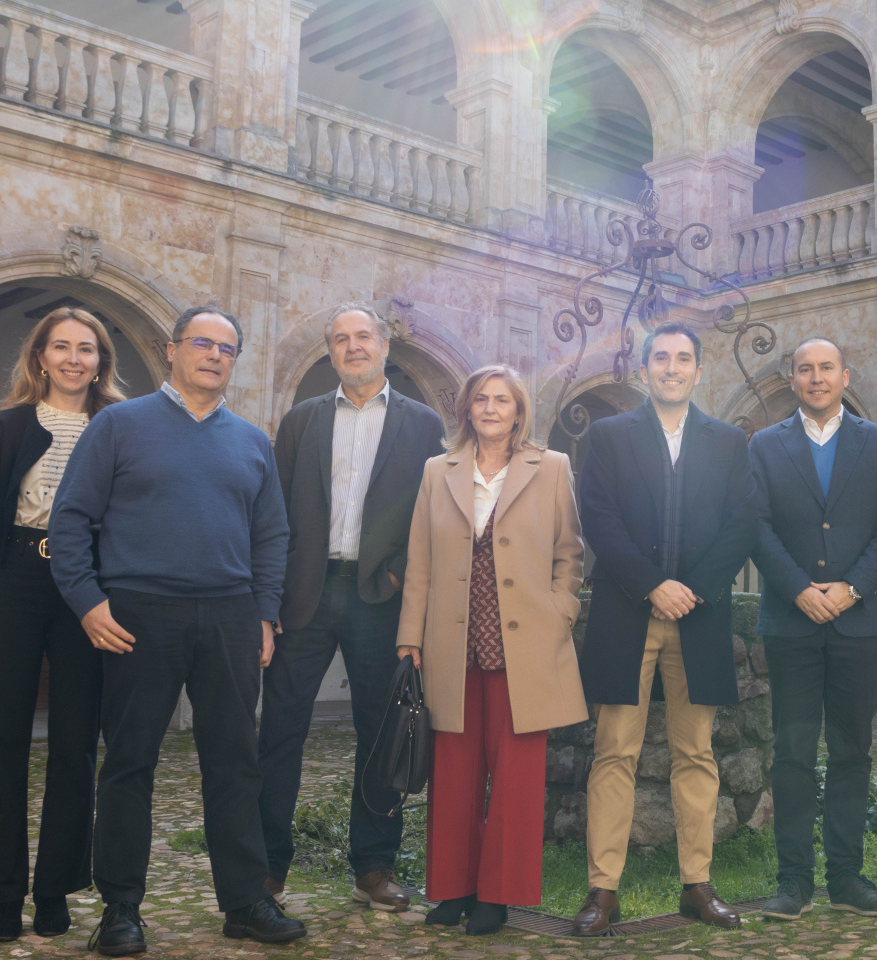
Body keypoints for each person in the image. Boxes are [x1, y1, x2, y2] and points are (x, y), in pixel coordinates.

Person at [49, 306, 304, 956]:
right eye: (202, 343)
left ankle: (246, 902)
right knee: (129, 763)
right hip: (139, 614)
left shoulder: (251, 441)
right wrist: (86, 602)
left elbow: (272, 534)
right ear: (172, 350)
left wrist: (265, 612)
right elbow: (71, 518)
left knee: (235, 764)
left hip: (229, 615)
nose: (214, 355)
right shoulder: (118, 425)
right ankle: (120, 911)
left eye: (227, 348)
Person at [569, 323, 759, 936]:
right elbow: (597, 517)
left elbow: (742, 522)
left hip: (699, 616)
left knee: (696, 753)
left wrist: (690, 590)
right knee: (613, 751)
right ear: (644, 368)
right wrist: (652, 584)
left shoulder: (728, 441)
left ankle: (697, 886)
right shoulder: (609, 435)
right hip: (627, 612)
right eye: (660, 358)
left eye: (682, 359)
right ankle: (603, 890)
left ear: (699, 371)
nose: (671, 368)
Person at [257, 303, 445, 913]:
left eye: (363, 336)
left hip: (379, 597)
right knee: (280, 730)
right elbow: (273, 512)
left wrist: (398, 573)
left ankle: (374, 865)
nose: (352, 346)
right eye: (340, 338)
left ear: (384, 346)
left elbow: (434, 513)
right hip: (305, 594)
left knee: (380, 731)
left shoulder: (423, 425)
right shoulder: (301, 420)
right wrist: (270, 597)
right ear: (330, 351)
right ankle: (267, 866)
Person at [0, 307, 127, 941]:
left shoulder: (118, 425)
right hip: (14, 582)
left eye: (87, 348)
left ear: (101, 362)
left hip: (88, 588)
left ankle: (56, 889)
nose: (74, 358)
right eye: (62, 347)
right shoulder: (6, 426)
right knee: (1, 741)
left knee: (76, 745)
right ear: (41, 357)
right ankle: (2, 894)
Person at [396, 365, 587, 935]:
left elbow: (569, 553)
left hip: (526, 643)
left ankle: (499, 895)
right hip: (451, 642)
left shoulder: (551, 467)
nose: (491, 408)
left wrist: (561, 610)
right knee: (453, 770)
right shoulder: (438, 470)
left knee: (516, 776)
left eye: (502, 400)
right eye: (481, 399)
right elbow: (420, 560)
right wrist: (410, 637)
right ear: (466, 409)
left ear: (519, 410)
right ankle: (454, 888)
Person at [749, 337, 877, 921]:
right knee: (792, 752)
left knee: (852, 750)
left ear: (846, 375)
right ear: (791, 380)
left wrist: (853, 587)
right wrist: (798, 588)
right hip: (791, 623)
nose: (816, 378)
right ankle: (793, 882)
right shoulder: (765, 445)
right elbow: (754, 524)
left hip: (857, 621)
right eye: (805, 369)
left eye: (826, 368)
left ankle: (846, 878)